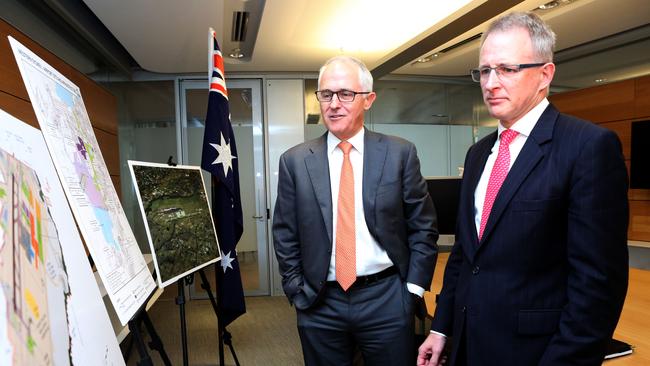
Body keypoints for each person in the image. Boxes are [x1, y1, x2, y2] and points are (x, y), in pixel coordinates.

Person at [417, 11, 629, 366]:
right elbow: (465, 256)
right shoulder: (478, 153)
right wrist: (441, 328)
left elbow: (597, 286)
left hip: (536, 354)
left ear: (545, 74)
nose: (490, 83)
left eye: (507, 69)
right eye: (484, 71)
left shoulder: (587, 147)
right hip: (467, 345)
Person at [273, 55, 438, 366]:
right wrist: (297, 289)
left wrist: (412, 291)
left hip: (387, 299)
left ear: (368, 100)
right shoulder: (294, 161)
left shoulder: (400, 153)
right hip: (320, 302)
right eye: (326, 94)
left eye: (346, 94)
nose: (334, 104)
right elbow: (285, 232)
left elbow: (423, 227)